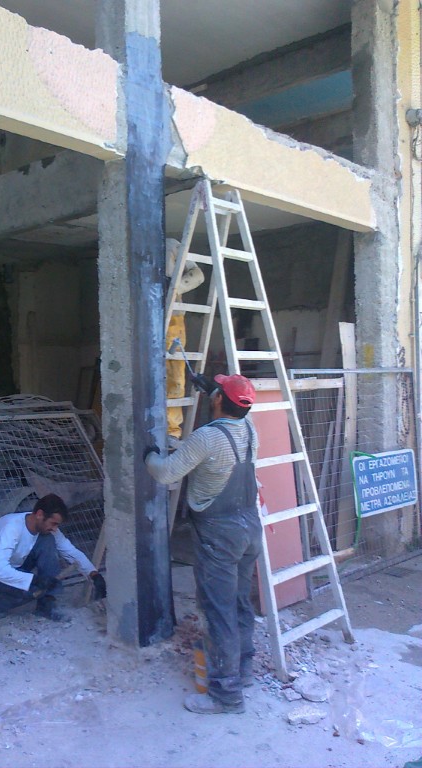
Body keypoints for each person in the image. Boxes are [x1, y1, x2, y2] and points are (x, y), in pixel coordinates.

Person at [145, 373, 261, 715]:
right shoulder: (249, 429)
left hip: (219, 534)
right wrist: (215, 390)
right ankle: (243, 670)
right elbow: (234, 409)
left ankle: (226, 695)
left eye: (217, 392)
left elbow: (165, 473)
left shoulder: (206, 438)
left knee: (217, 610)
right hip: (248, 527)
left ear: (218, 400)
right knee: (239, 603)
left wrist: (149, 455)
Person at [0, 493, 106, 621]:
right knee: (30, 591)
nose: (55, 528)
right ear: (40, 514)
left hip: (16, 563)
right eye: (53, 523)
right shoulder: (11, 528)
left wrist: (93, 574)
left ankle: (46, 605)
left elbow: (70, 551)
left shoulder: (47, 529)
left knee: (48, 541)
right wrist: (35, 580)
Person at [165, 238, 205, 444]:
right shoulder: (131, 246)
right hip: (143, 318)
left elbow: (198, 274)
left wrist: (174, 290)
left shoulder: (170, 245)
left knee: (174, 375)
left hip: (173, 318)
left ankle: (171, 431)